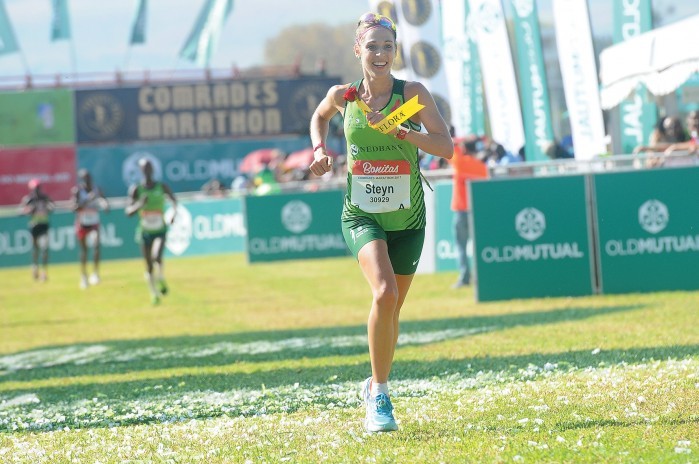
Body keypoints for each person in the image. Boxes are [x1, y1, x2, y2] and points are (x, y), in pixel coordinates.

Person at [309, 12, 453, 433]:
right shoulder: (345, 96)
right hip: (362, 215)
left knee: (391, 311)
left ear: (395, 51)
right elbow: (319, 117)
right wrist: (319, 150)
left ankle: (373, 382)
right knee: (385, 293)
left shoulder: (413, 95)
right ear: (358, 50)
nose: (380, 54)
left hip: (408, 218)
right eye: (372, 46)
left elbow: (445, 147)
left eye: (387, 47)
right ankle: (381, 398)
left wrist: (404, 133)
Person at [125, 158, 177, 305]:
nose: (147, 171)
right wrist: (139, 204)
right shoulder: (136, 189)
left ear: (153, 169)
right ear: (140, 171)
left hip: (160, 230)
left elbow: (174, 201)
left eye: (149, 168)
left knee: (156, 256)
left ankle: (160, 278)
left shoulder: (162, 186)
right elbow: (128, 212)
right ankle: (153, 293)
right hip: (144, 231)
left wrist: (173, 214)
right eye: (144, 168)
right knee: (148, 266)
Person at [450, 136, 488, 289]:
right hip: (477, 211)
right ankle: (481, 276)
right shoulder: (482, 167)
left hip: (461, 211)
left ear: (464, 148)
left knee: (461, 246)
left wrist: (462, 139)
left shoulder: (459, 161)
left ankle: (465, 278)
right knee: (479, 246)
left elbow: (448, 144)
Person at [72, 169, 109, 289]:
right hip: (82, 223)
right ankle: (84, 276)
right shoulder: (77, 191)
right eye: (85, 178)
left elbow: (104, 200)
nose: (87, 181)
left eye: (89, 178)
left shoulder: (97, 189)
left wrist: (105, 205)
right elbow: (74, 208)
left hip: (94, 222)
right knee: (84, 250)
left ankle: (95, 273)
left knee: (96, 245)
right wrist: (87, 199)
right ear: (81, 180)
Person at [20, 178, 54, 282]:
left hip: (43, 225)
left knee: (44, 248)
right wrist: (30, 210)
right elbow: (22, 210)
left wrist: (48, 208)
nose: (37, 191)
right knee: (35, 249)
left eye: (38, 188)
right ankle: (35, 267)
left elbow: (52, 206)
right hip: (34, 225)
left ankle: (44, 272)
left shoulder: (44, 198)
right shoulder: (29, 199)